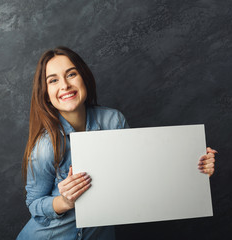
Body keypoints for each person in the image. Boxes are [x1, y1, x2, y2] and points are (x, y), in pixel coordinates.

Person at [16, 46, 217, 240]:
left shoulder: (113, 121)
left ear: (84, 77)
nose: (65, 85)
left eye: (71, 74)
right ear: (46, 95)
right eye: (53, 80)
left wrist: (194, 166)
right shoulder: (44, 145)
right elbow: (34, 204)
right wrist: (65, 202)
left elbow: (140, 175)